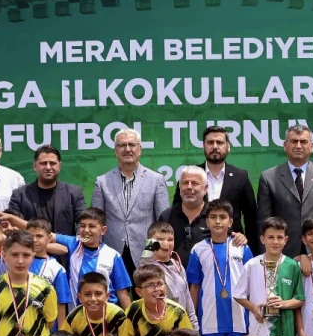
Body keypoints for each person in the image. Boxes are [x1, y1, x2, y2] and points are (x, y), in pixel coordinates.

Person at [188, 200, 253, 336]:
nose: (218, 221)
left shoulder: (242, 247)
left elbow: (252, 283)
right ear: (207, 221)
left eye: (222, 217)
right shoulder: (198, 249)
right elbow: (195, 286)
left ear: (230, 222)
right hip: (209, 320)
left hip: (238, 319)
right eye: (213, 217)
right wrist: (192, 317)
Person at [256, 124, 313, 257]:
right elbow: (263, 221)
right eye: (294, 141)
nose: (298, 146)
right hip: (283, 252)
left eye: (303, 142)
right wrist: (265, 255)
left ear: (311, 147)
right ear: (285, 145)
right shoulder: (269, 177)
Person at [91, 129, 169, 274]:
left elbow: (163, 222)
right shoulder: (102, 182)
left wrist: (153, 251)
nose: (127, 149)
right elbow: (95, 221)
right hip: (112, 253)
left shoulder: (156, 180)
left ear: (140, 149)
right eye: (122, 145)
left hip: (147, 253)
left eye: (132, 145)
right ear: (116, 151)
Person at [172, 125, 260, 253]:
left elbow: (251, 218)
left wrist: (251, 249)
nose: (214, 146)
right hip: (195, 247)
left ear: (228, 146)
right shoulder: (190, 175)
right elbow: (177, 211)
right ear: (203, 146)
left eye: (219, 142)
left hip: (232, 246)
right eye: (210, 142)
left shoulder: (240, 177)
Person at [234, 218, 304, 336]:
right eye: (271, 237)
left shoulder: (292, 266)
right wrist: (254, 309)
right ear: (262, 239)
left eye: (279, 237)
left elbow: (300, 298)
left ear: (286, 240)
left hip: (284, 327)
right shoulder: (252, 264)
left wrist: (283, 303)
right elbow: (238, 294)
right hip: (259, 325)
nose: (275, 242)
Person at [6, 145, 86, 246]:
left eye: (52, 163)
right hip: (31, 253)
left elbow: (82, 223)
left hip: (65, 252)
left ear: (59, 166)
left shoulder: (74, 193)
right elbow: (13, 227)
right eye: (43, 163)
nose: (48, 167)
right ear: (35, 166)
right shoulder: (19, 195)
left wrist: (78, 246)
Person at [54, 208, 132, 308]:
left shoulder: (112, 256)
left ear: (103, 230)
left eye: (92, 226)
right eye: (82, 226)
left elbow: (122, 293)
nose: (86, 230)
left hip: (107, 315)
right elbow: (46, 237)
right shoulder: (74, 243)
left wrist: (130, 316)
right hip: (77, 314)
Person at [147, 222, 200, 333]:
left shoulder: (178, 265)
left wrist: (195, 329)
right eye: (160, 239)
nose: (166, 243)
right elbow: (144, 261)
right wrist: (149, 245)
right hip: (161, 328)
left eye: (170, 239)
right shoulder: (148, 267)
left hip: (182, 326)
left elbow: (188, 301)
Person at [23, 218, 71, 329]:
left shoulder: (57, 269)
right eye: (30, 236)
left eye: (39, 236)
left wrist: (61, 331)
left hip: (47, 329)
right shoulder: (19, 262)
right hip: (20, 326)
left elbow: (61, 304)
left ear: (49, 238)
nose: (34, 240)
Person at [157, 166, 210, 265]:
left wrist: (238, 238)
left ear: (205, 188)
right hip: (171, 273)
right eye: (185, 183)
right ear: (180, 187)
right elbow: (152, 245)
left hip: (207, 274)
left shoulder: (214, 216)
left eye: (194, 183)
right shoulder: (166, 215)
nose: (189, 187)